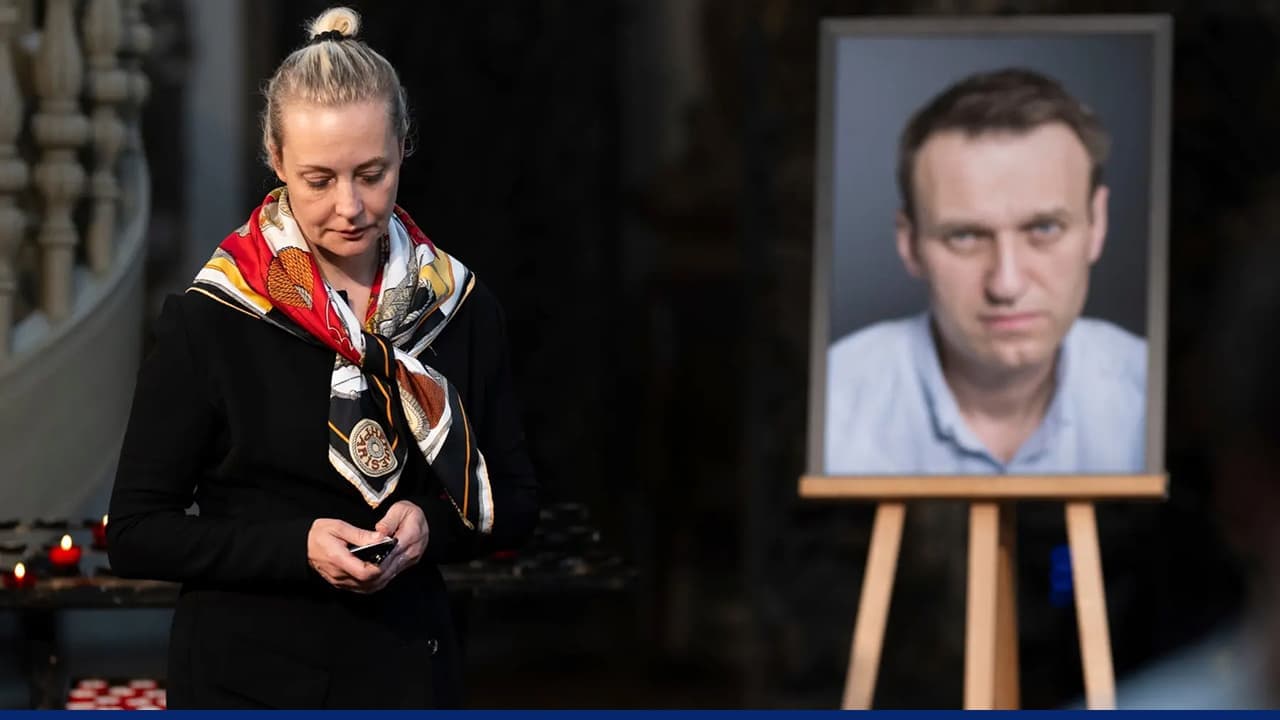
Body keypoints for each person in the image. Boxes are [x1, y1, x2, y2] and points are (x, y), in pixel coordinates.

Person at [107, 7, 538, 709]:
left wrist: (430, 524)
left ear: (405, 146)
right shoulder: (213, 316)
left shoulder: (459, 306)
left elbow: (516, 500)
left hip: (407, 676)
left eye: (372, 173)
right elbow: (135, 533)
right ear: (275, 160)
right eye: (318, 179)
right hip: (247, 684)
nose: (350, 207)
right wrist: (295, 546)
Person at [824, 67, 1147, 475]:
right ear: (909, 244)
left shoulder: (1153, 396)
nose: (1006, 284)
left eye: (1044, 229)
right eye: (964, 237)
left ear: (1097, 224)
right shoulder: (829, 403)